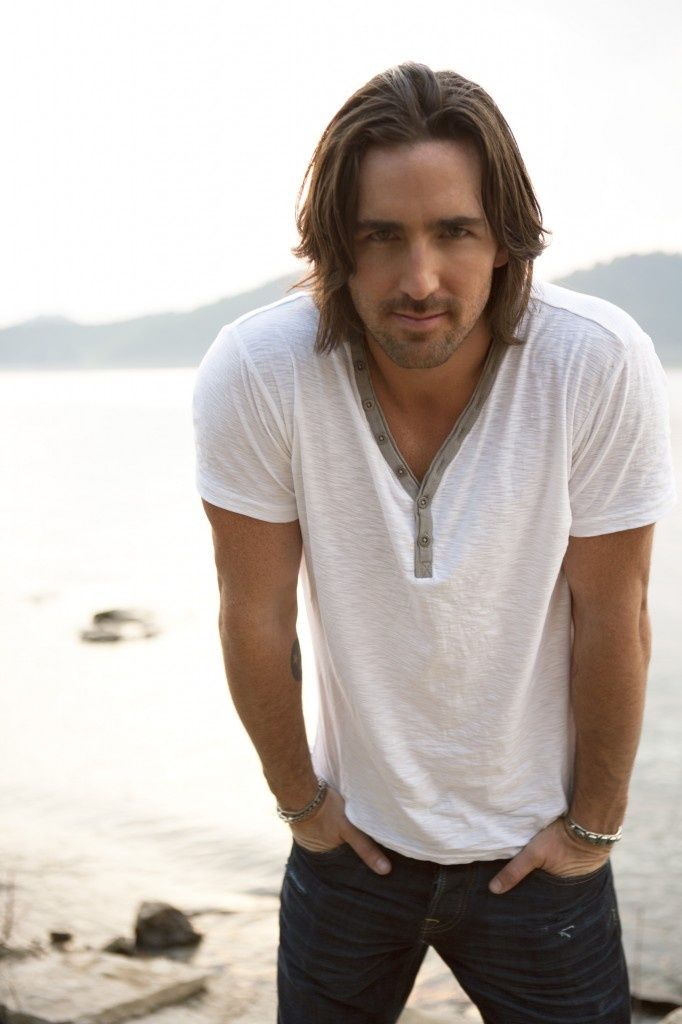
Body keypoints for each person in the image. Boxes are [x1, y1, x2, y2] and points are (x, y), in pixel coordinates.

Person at [192, 62, 677, 1023]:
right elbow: (254, 613)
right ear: (338, 246)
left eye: (454, 231)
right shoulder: (258, 371)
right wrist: (304, 809)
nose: (419, 279)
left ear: (504, 240)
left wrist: (594, 826)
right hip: (353, 850)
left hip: (540, 858)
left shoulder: (594, 362)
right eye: (382, 237)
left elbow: (611, 615)